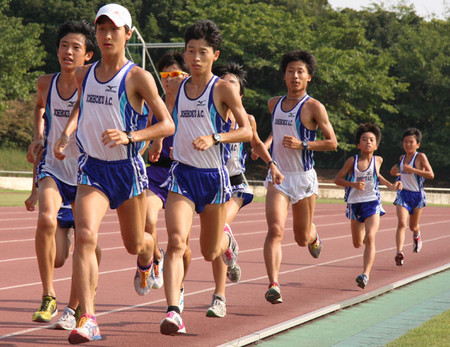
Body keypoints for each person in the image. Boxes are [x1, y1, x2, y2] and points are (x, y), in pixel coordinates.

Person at [54, 4, 174, 343]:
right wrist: (66, 133)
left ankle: (152, 255)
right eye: (102, 29)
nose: (107, 35)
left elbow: (167, 123)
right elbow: (83, 104)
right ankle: (89, 318)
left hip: (127, 170)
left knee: (135, 243)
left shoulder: (138, 77)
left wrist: (132, 136)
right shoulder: (83, 74)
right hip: (92, 168)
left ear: (128, 34)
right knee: (86, 236)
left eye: (114, 29)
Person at [160, 20, 252, 335]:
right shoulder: (176, 86)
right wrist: (158, 139)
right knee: (175, 241)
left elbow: (246, 130)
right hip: (183, 175)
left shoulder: (223, 88)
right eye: (190, 51)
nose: (195, 58)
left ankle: (228, 243)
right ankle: (173, 311)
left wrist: (215, 137)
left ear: (215, 55)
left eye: (203, 52)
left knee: (210, 252)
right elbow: (168, 119)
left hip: (213, 177)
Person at [25, 20, 96, 325]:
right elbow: (40, 107)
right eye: (64, 45)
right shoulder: (45, 83)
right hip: (52, 167)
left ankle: (76, 306)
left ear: (87, 55)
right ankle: (48, 296)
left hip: (83, 172)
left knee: (78, 245)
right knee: (45, 218)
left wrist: (67, 133)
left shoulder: (92, 84)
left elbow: (80, 110)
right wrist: (39, 136)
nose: (68, 51)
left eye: (75, 47)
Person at [206, 62, 284, 318]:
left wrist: (272, 165)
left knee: (219, 229)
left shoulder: (246, 119)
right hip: (211, 183)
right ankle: (221, 292)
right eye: (223, 83)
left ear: (239, 95)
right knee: (214, 245)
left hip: (236, 184)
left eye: (232, 85)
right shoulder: (208, 113)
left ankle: (219, 295)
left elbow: (259, 144)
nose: (226, 87)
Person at [263, 50, 337, 304]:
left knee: (301, 237)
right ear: (284, 75)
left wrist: (303, 144)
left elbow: (332, 143)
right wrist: (265, 145)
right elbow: (276, 129)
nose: (295, 76)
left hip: (303, 179)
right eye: (290, 71)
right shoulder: (273, 103)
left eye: (300, 72)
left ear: (309, 77)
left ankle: (313, 234)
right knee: (275, 230)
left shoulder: (314, 107)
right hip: (279, 177)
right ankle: (274, 284)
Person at [142, 52, 192, 310]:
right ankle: (156, 257)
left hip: (182, 177)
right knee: (147, 221)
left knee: (181, 243)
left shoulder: (193, 105)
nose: (169, 80)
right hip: (157, 173)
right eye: (164, 76)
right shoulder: (154, 105)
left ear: (185, 76)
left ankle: (179, 285)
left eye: (174, 75)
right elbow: (143, 138)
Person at [335, 123, 402, 289]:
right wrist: (354, 185)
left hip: (372, 202)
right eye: (364, 139)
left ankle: (365, 274)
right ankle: (363, 231)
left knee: (371, 237)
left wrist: (391, 186)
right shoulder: (352, 161)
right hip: (355, 204)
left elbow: (377, 175)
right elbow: (337, 180)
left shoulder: (378, 160)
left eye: (371, 139)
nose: (368, 142)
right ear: (358, 144)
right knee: (358, 243)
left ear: (376, 145)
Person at [390, 128, 434, 266]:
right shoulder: (402, 158)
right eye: (405, 142)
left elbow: (431, 174)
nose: (408, 144)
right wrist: (395, 172)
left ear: (417, 144)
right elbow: (396, 172)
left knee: (412, 226)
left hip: (417, 196)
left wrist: (413, 170)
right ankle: (399, 252)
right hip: (403, 194)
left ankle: (417, 235)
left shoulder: (420, 157)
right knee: (402, 223)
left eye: (411, 142)